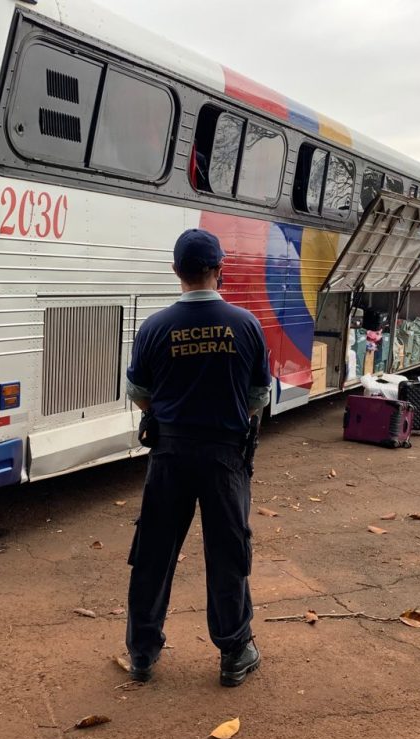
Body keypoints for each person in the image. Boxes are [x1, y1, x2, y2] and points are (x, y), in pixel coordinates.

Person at [125, 228, 271, 687]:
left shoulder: (154, 327)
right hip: (225, 457)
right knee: (227, 552)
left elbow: (138, 390)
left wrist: (168, 415)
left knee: (154, 553)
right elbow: (258, 395)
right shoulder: (245, 324)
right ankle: (234, 652)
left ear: (176, 271)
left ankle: (142, 654)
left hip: (169, 454)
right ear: (219, 269)